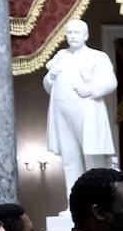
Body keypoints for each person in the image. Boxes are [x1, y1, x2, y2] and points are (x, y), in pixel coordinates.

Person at [42, 19, 118, 197]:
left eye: (77, 32)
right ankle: (73, 202)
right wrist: (51, 77)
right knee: (70, 159)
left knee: (92, 158)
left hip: (86, 110)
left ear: (86, 35)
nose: (73, 36)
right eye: (69, 32)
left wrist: (91, 89)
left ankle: (96, 198)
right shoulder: (60, 56)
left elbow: (110, 81)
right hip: (61, 112)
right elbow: (48, 86)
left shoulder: (97, 56)